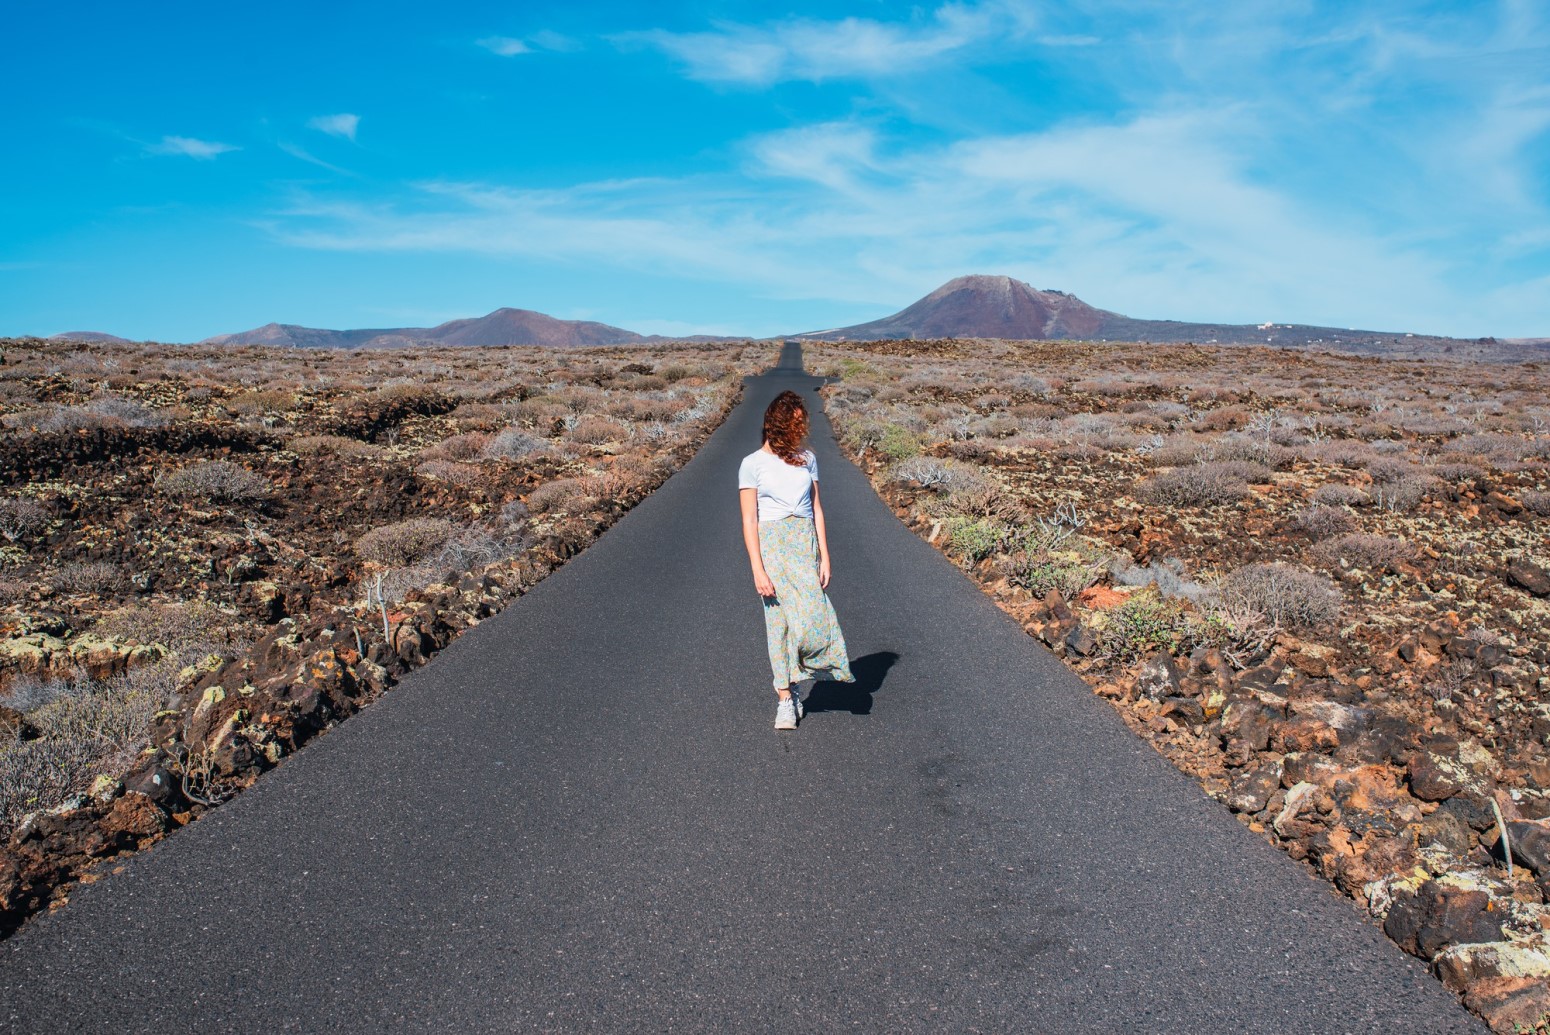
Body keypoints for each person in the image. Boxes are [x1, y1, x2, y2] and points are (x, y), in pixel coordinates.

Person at [738, 390, 854, 730]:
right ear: (779, 425)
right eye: (796, 423)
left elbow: (817, 509)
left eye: (802, 423)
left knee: (813, 618)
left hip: (804, 544)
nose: (802, 429)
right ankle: (785, 698)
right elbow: (749, 520)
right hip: (772, 546)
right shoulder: (752, 464)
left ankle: (804, 672)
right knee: (780, 626)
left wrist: (825, 556)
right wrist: (757, 568)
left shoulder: (807, 459)